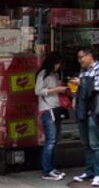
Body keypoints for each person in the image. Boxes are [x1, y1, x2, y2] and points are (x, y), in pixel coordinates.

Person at [70, 47, 99, 187]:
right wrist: (75, 96)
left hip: (94, 110)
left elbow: (98, 86)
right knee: (86, 144)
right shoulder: (83, 71)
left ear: (89, 56)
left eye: (81, 57)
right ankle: (89, 171)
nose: (79, 60)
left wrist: (81, 82)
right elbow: (81, 90)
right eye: (78, 58)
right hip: (82, 109)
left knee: (94, 144)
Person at [35, 52, 69, 181]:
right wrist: (56, 90)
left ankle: (51, 168)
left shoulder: (55, 74)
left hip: (55, 108)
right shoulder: (43, 74)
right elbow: (37, 91)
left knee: (54, 140)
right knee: (50, 141)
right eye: (57, 63)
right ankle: (46, 171)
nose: (58, 66)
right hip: (47, 109)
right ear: (52, 62)